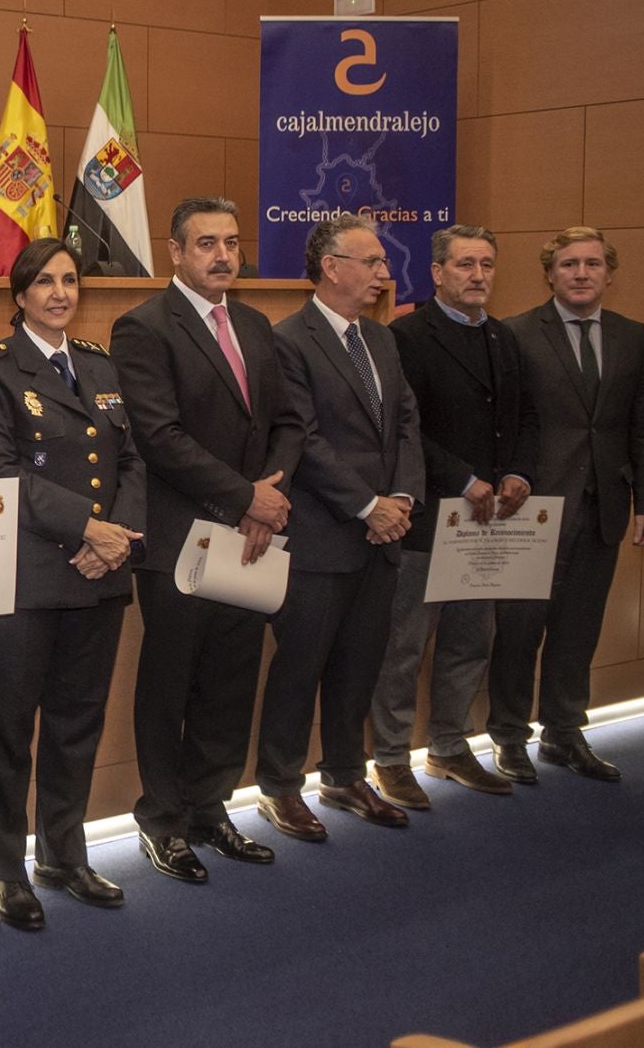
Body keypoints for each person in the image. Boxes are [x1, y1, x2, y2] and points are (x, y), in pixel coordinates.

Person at [109, 197, 299, 884]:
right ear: (175, 252)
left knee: (230, 678)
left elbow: (288, 422)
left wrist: (266, 499)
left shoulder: (254, 324)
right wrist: (245, 496)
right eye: (207, 243)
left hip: (251, 538)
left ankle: (210, 807)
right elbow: (159, 437)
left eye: (231, 241)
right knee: (172, 684)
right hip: (180, 541)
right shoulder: (143, 328)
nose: (223, 255)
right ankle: (162, 819)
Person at [0, 239, 144, 928]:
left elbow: (133, 461)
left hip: (98, 578)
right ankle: (6, 871)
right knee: (8, 733)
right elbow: (1, 471)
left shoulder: (100, 365)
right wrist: (87, 530)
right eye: (45, 282)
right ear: (19, 295)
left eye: (70, 281)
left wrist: (115, 538)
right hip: (22, 581)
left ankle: (65, 855)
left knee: (76, 726)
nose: (60, 293)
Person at [255, 215, 424, 840]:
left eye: (382, 263)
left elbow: (407, 423)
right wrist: (366, 505)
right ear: (331, 266)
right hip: (322, 535)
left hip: (382, 536)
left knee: (360, 664)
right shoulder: (288, 340)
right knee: (301, 666)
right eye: (373, 261)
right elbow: (304, 437)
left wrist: (399, 499)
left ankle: (346, 774)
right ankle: (278, 786)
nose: (385, 274)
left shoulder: (382, 340)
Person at [489, 227, 644, 783]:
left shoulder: (633, 337)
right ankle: (509, 736)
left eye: (592, 264)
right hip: (531, 509)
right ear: (550, 274)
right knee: (520, 630)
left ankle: (564, 733)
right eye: (569, 265)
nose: (581, 273)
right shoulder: (515, 334)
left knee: (579, 628)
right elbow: (504, 425)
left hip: (602, 506)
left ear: (609, 274)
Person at [368, 226, 534, 806]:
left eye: (488, 263)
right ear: (437, 272)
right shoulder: (406, 337)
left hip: (490, 524)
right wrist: (462, 478)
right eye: (466, 264)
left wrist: (518, 474)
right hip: (427, 518)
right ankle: (390, 757)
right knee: (404, 646)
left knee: (470, 640)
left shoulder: (504, 339)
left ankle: (449, 745)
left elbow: (521, 422)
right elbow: (405, 434)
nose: (479, 275)